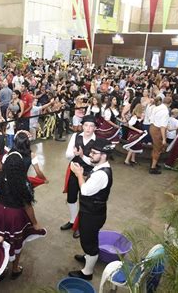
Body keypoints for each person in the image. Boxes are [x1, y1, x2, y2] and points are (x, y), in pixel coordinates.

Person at [0, 151, 46, 279]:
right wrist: (35, 223)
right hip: (16, 216)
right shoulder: (24, 183)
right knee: (16, 241)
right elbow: (27, 206)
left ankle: (2, 270)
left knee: (1, 241)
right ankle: (15, 268)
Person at [68, 138, 114, 280]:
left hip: (92, 214)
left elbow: (85, 191)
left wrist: (79, 174)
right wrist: (82, 157)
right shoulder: (101, 165)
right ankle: (89, 256)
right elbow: (89, 161)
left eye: (94, 153)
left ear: (103, 155)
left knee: (89, 242)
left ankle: (87, 272)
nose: (91, 155)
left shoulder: (101, 174)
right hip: (93, 211)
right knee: (89, 238)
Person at [61, 115, 96, 237]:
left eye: (91, 126)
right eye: (86, 125)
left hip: (88, 175)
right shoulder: (76, 136)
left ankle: (81, 225)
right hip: (73, 171)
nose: (88, 128)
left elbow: (93, 162)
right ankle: (72, 221)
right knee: (71, 197)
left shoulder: (96, 141)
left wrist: (81, 156)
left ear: (95, 128)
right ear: (82, 126)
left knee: (85, 201)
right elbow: (67, 155)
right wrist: (73, 154)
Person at [148, 96, 171, 175]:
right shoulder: (165, 111)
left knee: (155, 147)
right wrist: (164, 138)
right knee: (158, 149)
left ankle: (153, 163)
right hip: (158, 129)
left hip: (152, 127)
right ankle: (153, 167)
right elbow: (162, 126)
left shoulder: (157, 107)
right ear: (170, 104)